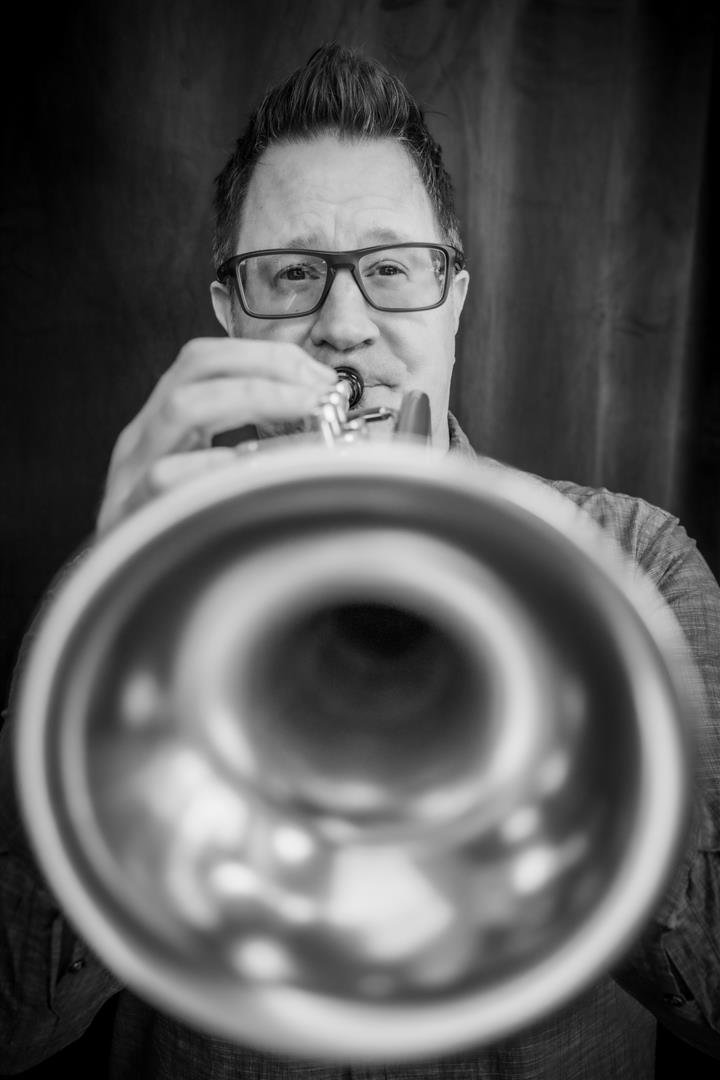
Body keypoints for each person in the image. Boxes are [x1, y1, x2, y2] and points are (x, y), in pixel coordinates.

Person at [1, 42, 718, 1080]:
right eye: (292, 275)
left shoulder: (639, 562)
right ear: (230, 312)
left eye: (390, 269)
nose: (343, 325)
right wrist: (110, 663)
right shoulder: (120, 593)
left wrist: (587, 735)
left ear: (455, 299)